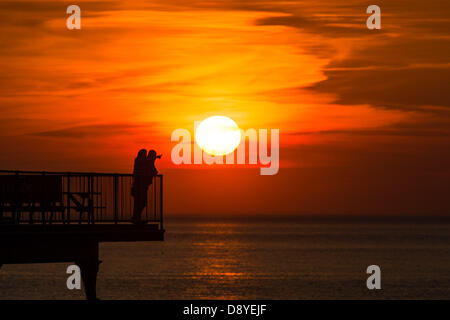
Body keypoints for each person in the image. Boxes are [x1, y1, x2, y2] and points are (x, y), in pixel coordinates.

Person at [131, 149, 161, 224]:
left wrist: (155, 157)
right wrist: (155, 158)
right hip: (139, 185)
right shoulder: (140, 161)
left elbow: (150, 166)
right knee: (140, 202)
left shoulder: (143, 161)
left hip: (142, 185)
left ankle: (137, 218)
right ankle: (136, 218)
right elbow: (149, 165)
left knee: (141, 202)